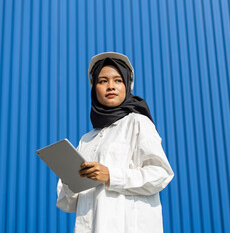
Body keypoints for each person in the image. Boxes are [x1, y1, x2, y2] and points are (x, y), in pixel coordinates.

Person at [56, 52, 174, 233]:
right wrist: (71, 180)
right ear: (94, 88)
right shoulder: (87, 139)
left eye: (118, 80)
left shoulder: (138, 123)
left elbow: (160, 174)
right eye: (102, 81)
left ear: (127, 85)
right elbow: (67, 203)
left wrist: (110, 176)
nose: (110, 86)